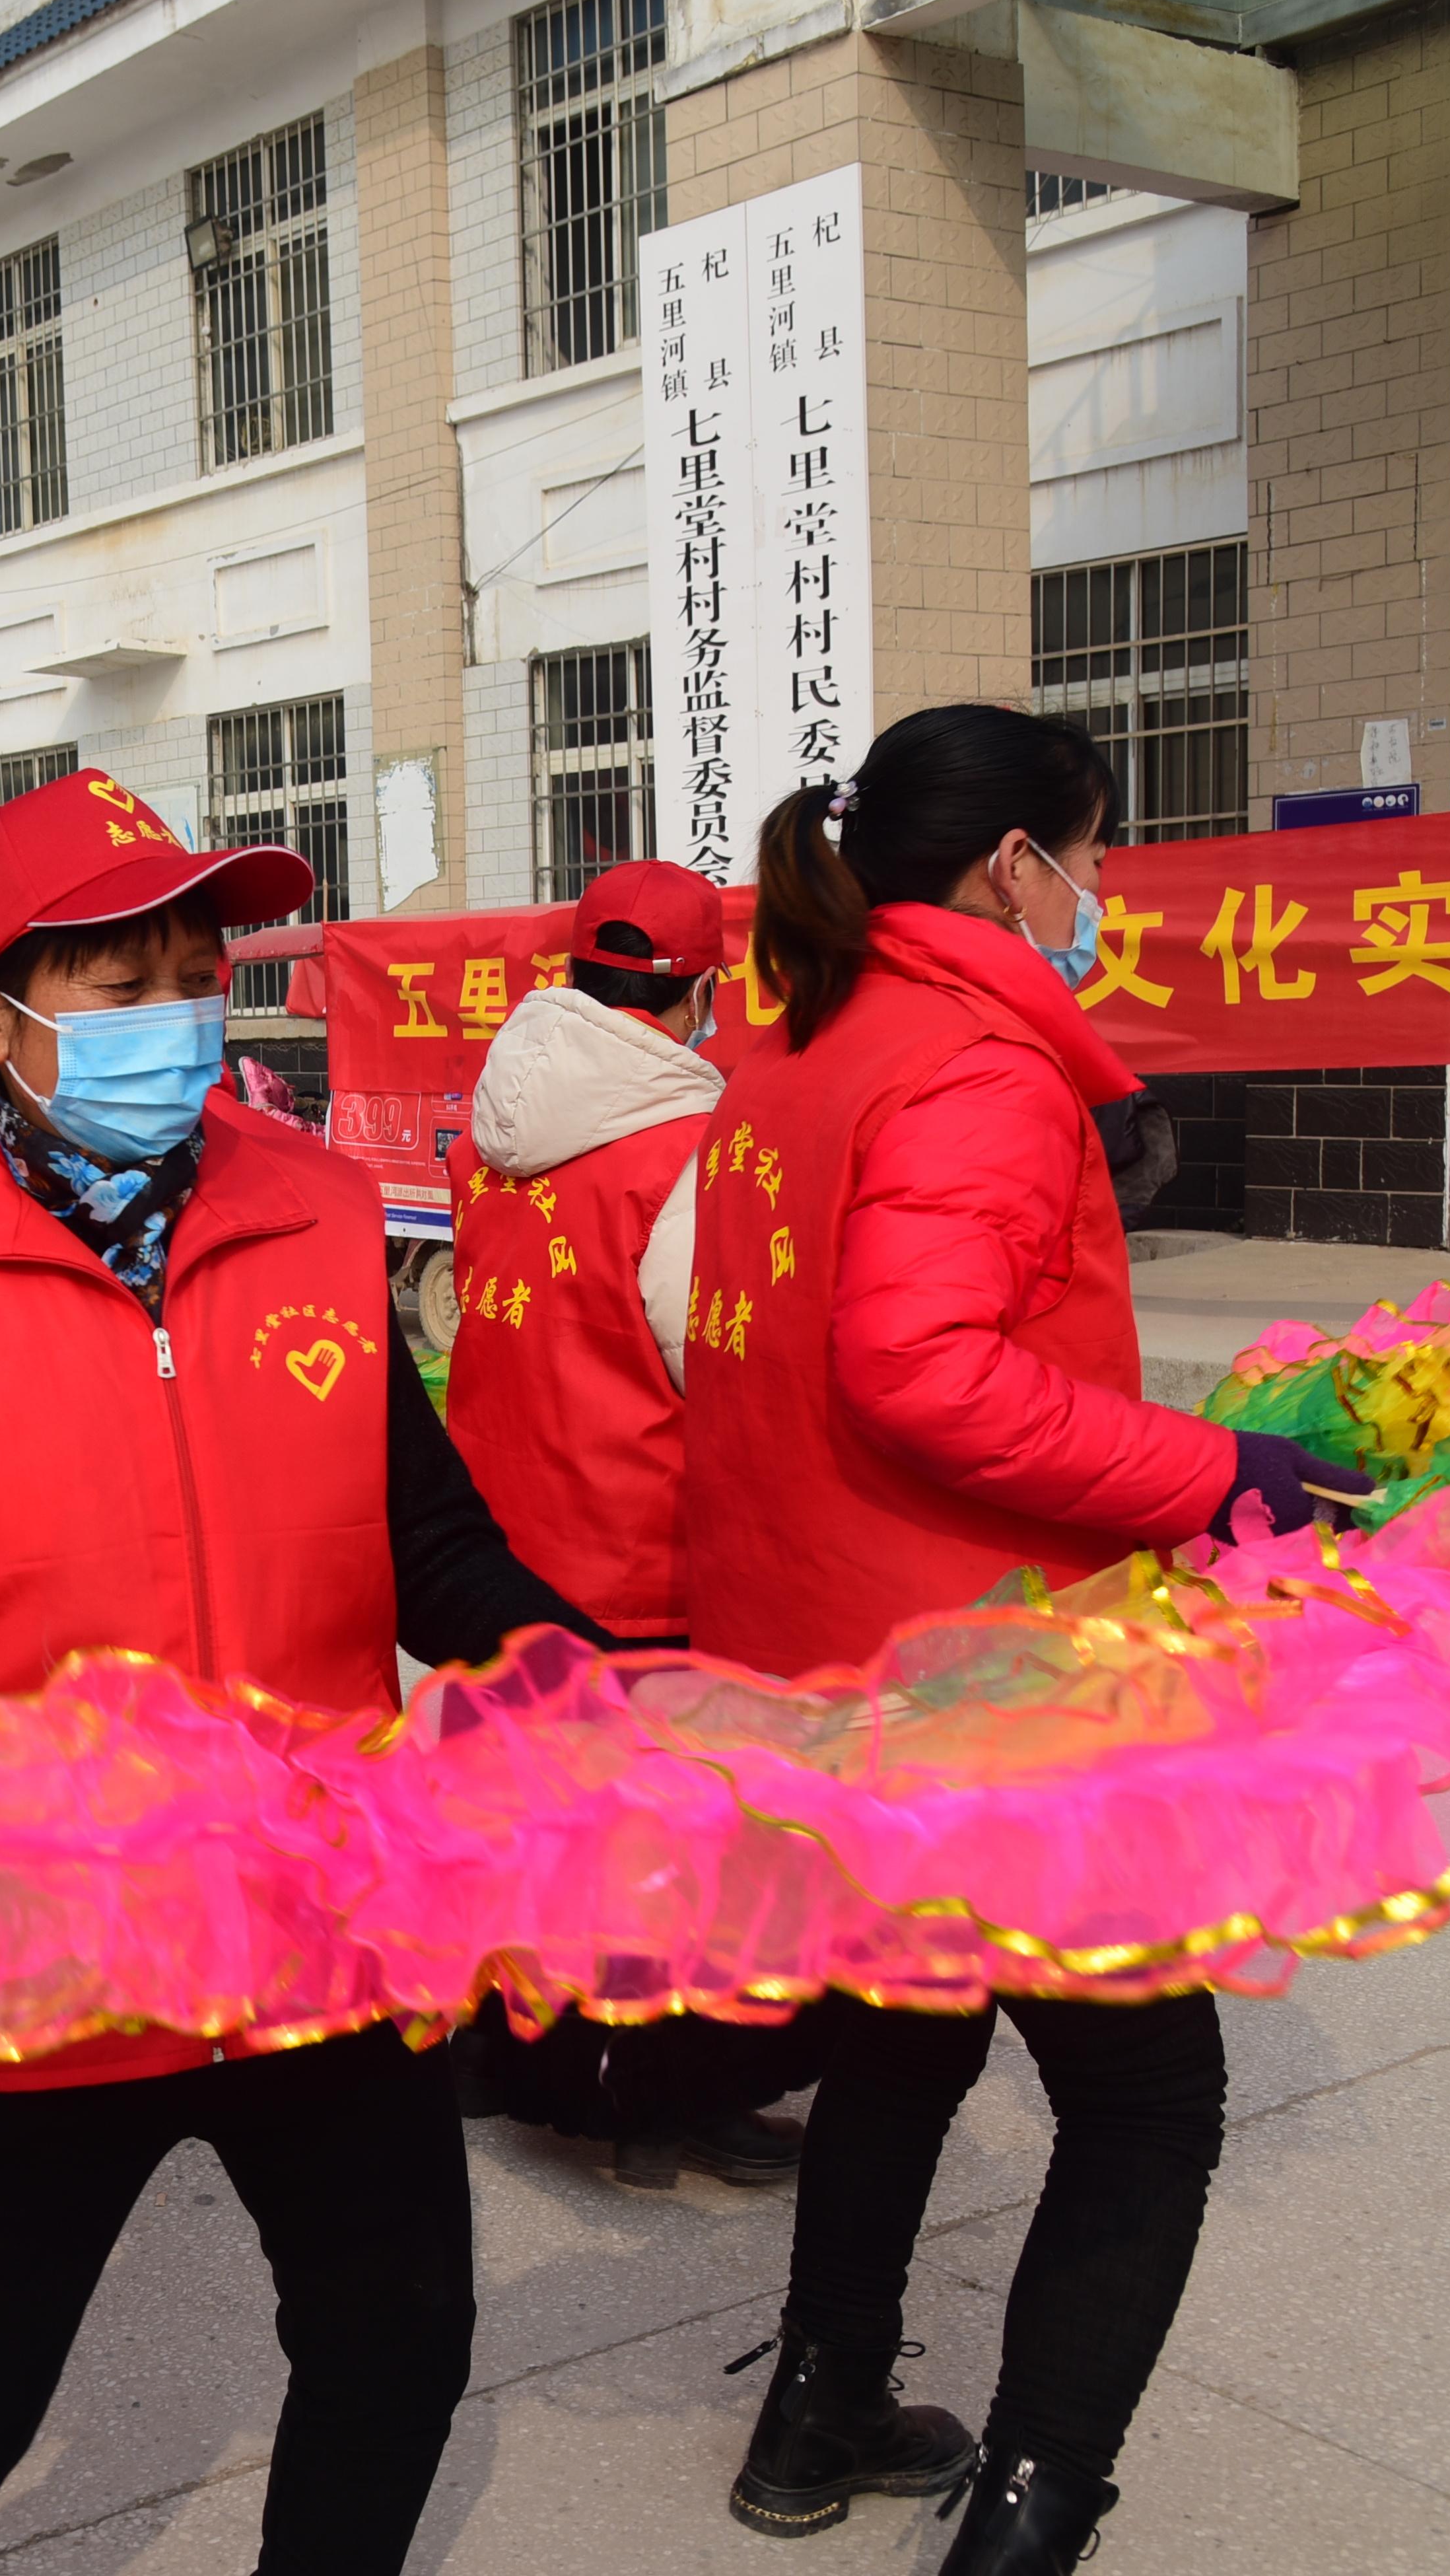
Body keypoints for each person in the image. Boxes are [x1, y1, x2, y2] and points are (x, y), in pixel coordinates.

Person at [0, 769, 602, 2576]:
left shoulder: (314, 1212)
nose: (177, 1020)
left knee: (394, 2344)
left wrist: (576, 1677)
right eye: (121, 987)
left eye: (200, 971)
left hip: (322, 1918)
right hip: (36, 1951)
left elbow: (423, 1531)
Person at [684, 707, 1360, 2574]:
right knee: (1151, 2096)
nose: (1098, 896)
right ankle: (1037, 2515)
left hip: (829, 1653)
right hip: (978, 1671)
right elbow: (918, 1368)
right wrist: (1217, 1468)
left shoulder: (801, 1044)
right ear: (1013, 865)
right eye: (1091, 851)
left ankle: (818, 2404)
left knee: (905, 2030)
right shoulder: (976, 1064)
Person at [440, 857, 809, 2190]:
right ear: (702, 991)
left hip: (483, 1540)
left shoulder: (489, 1126)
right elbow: (702, 1359)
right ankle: (646, 2097)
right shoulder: (688, 1150)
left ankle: (490, 2048)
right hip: (628, 1547)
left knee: (515, 1819)